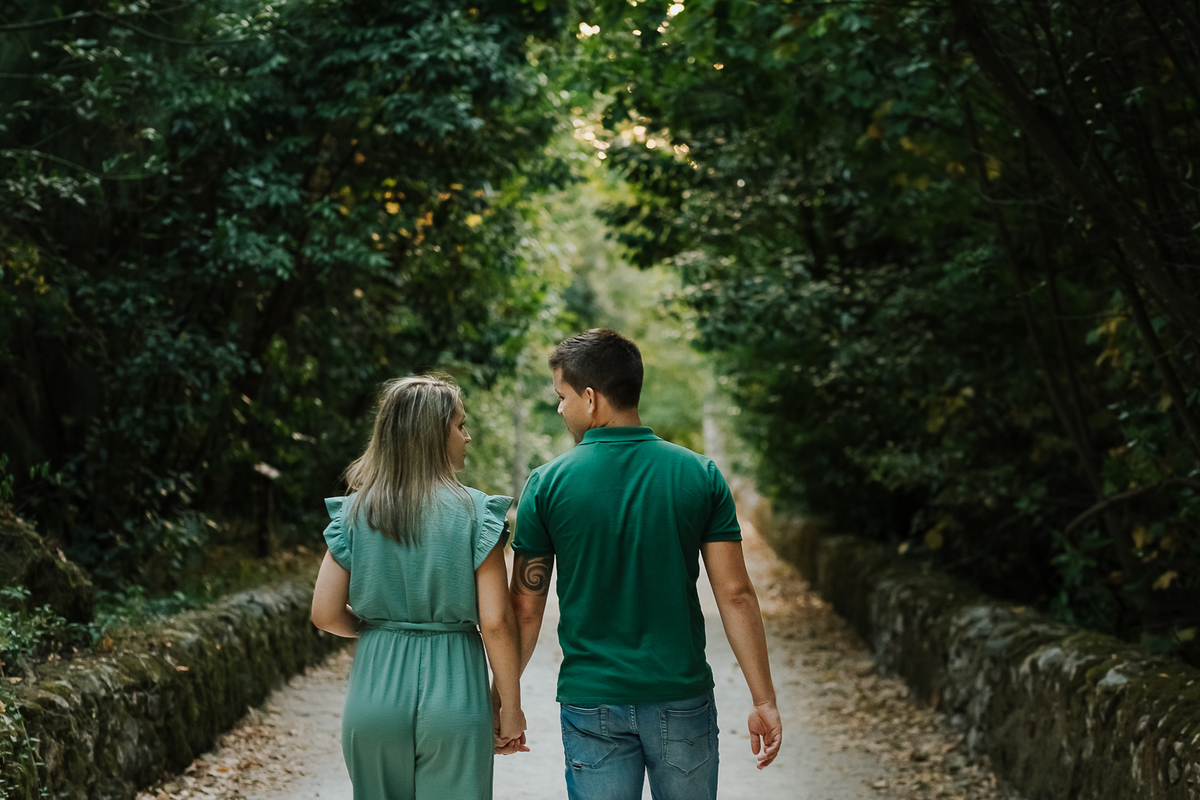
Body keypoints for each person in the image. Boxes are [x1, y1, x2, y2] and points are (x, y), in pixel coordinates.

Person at [507, 329, 783, 800]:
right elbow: (735, 593)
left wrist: (504, 697)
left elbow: (526, 608)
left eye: (562, 396)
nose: (560, 409)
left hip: (591, 700)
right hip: (681, 698)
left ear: (591, 399)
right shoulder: (700, 475)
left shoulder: (545, 484)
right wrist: (763, 699)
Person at [311, 375, 527, 800]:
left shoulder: (355, 512)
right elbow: (496, 621)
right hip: (456, 692)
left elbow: (324, 612)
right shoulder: (477, 513)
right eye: (460, 425)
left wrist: (377, 630)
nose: (468, 436)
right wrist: (511, 709)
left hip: (374, 689)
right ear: (432, 433)